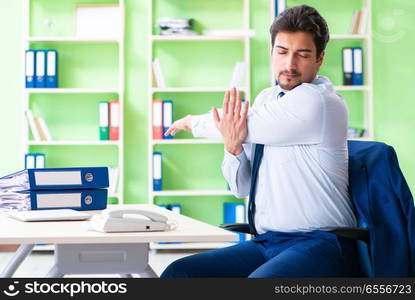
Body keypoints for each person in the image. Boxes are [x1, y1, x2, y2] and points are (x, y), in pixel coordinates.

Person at [160, 5, 361, 278]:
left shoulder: (319, 102)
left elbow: (243, 124)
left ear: (320, 58)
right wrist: (233, 147)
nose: (289, 64)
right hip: (268, 242)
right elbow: (241, 186)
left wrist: (192, 122)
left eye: (302, 55)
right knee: (180, 273)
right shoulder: (267, 99)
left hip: (322, 243)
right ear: (271, 51)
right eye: (282, 52)